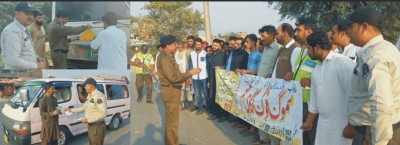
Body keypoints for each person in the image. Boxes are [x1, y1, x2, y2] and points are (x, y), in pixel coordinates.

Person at [341, 6, 400, 145]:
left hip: (374, 132)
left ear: (364, 27)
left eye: (350, 26)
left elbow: (381, 105)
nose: (347, 31)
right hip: (372, 129)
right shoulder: (379, 49)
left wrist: (379, 142)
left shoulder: (376, 56)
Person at [300, 31, 355, 145]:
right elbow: (314, 101)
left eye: (308, 48)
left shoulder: (341, 62)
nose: (307, 52)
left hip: (342, 123)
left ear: (317, 47)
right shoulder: (317, 68)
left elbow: (354, 94)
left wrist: (351, 125)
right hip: (323, 124)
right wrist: (309, 122)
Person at [157, 35, 201, 145]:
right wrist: (190, 73)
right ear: (168, 45)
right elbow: (173, 78)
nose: (176, 46)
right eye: (174, 45)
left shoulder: (167, 55)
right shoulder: (165, 58)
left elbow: (175, 75)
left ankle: (172, 142)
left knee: (172, 121)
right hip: (171, 91)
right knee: (172, 122)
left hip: (172, 91)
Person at [0, 2, 45, 69]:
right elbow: (13, 60)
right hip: (17, 75)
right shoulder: (13, 31)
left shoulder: (24, 29)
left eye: (32, 14)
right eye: (27, 14)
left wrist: (37, 58)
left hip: (25, 74)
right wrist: (36, 66)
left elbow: (25, 51)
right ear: (17, 14)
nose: (31, 17)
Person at [66, 78, 107, 145]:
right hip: (91, 126)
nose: (84, 87)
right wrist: (71, 110)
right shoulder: (90, 96)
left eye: (86, 85)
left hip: (97, 127)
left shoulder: (99, 96)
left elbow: (103, 113)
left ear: (91, 85)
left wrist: (88, 120)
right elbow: (84, 107)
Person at [188, 37, 210, 115]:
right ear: (195, 45)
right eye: (196, 44)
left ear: (201, 45)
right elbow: (190, 66)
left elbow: (208, 66)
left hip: (204, 77)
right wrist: (190, 77)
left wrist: (209, 79)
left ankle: (208, 108)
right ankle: (200, 108)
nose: (198, 46)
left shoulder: (205, 53)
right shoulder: (191, 54)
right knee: (198, 94)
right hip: (195, 78)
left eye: (199, 44)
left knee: (206, 94)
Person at [207, 39, 227, 121]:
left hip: (221, 80)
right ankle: (216, 114)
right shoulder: (211, 55)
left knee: (221, 97)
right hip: (212, 79)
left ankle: (224, 115)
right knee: (213, 97)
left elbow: (227, 67)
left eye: (216, 45)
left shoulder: (224, 55)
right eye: (213, 45)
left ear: (220, 46)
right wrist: (209, 81)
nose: (214, 47)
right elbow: (209, 68)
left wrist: (221, 67)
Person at [174, 43, 192, 110]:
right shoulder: (175, 54)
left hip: (186, 74)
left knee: (188, 89)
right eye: (179, 47)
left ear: (184, 48)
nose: (180, 48)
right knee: (181, 89)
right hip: (179, 75)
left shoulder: (186, 54)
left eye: (181, 47)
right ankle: (183, 104)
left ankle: (189, 104)